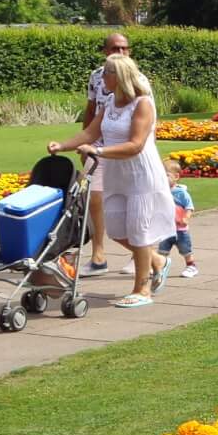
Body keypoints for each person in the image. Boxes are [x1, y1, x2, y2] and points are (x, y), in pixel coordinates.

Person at [48, 52, 172, 307]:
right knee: (116, 229)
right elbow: (89, 132)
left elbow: (136, 145)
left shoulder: (143, 104)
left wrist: (99, 151)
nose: (102, 76)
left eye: (107, 72)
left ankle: (142, 290)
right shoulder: (110, 104)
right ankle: (157, 261)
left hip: (141, 175)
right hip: (118, 173)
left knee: (139, 232)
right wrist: (62, 146)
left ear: (120, 76)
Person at [78, 29, 132, 274]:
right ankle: (98, 255)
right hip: (98, 146)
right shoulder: (96, 77)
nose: (120, 52)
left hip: (125, 146)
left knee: (131, 200)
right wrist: (83, 143)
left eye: (123, 48)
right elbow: (91, 110)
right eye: (114, 48)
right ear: (105, 51)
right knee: (94, 196)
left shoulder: (136, 78)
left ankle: (140, 254)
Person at [156, 158, 197, 279]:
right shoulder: (161, 191)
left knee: (185, 249)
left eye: (166, 175)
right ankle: (160, 267)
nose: (163, 178)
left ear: (176, 176)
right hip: (165, 228)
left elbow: (189, 207)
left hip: (180, 229)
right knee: (163, 250)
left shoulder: (181, 193)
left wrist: (186, 217)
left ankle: (191, 266)